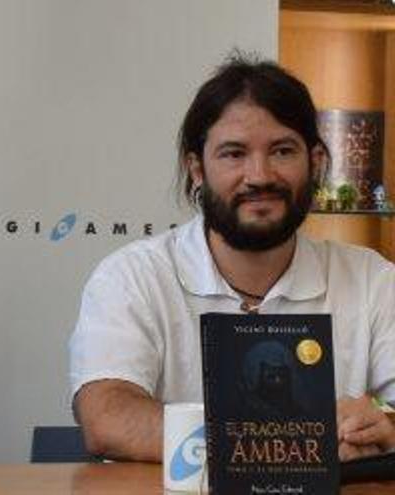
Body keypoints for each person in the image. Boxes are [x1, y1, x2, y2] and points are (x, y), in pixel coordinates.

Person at [69, 54, 395, 463]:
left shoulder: (374, 281)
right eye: (233, 153)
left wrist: (382, 425)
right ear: (197, 169)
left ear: (315, 163)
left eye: (282, 150)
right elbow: (108, 420)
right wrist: (297, 444)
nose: (259, 175)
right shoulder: (131, 277)